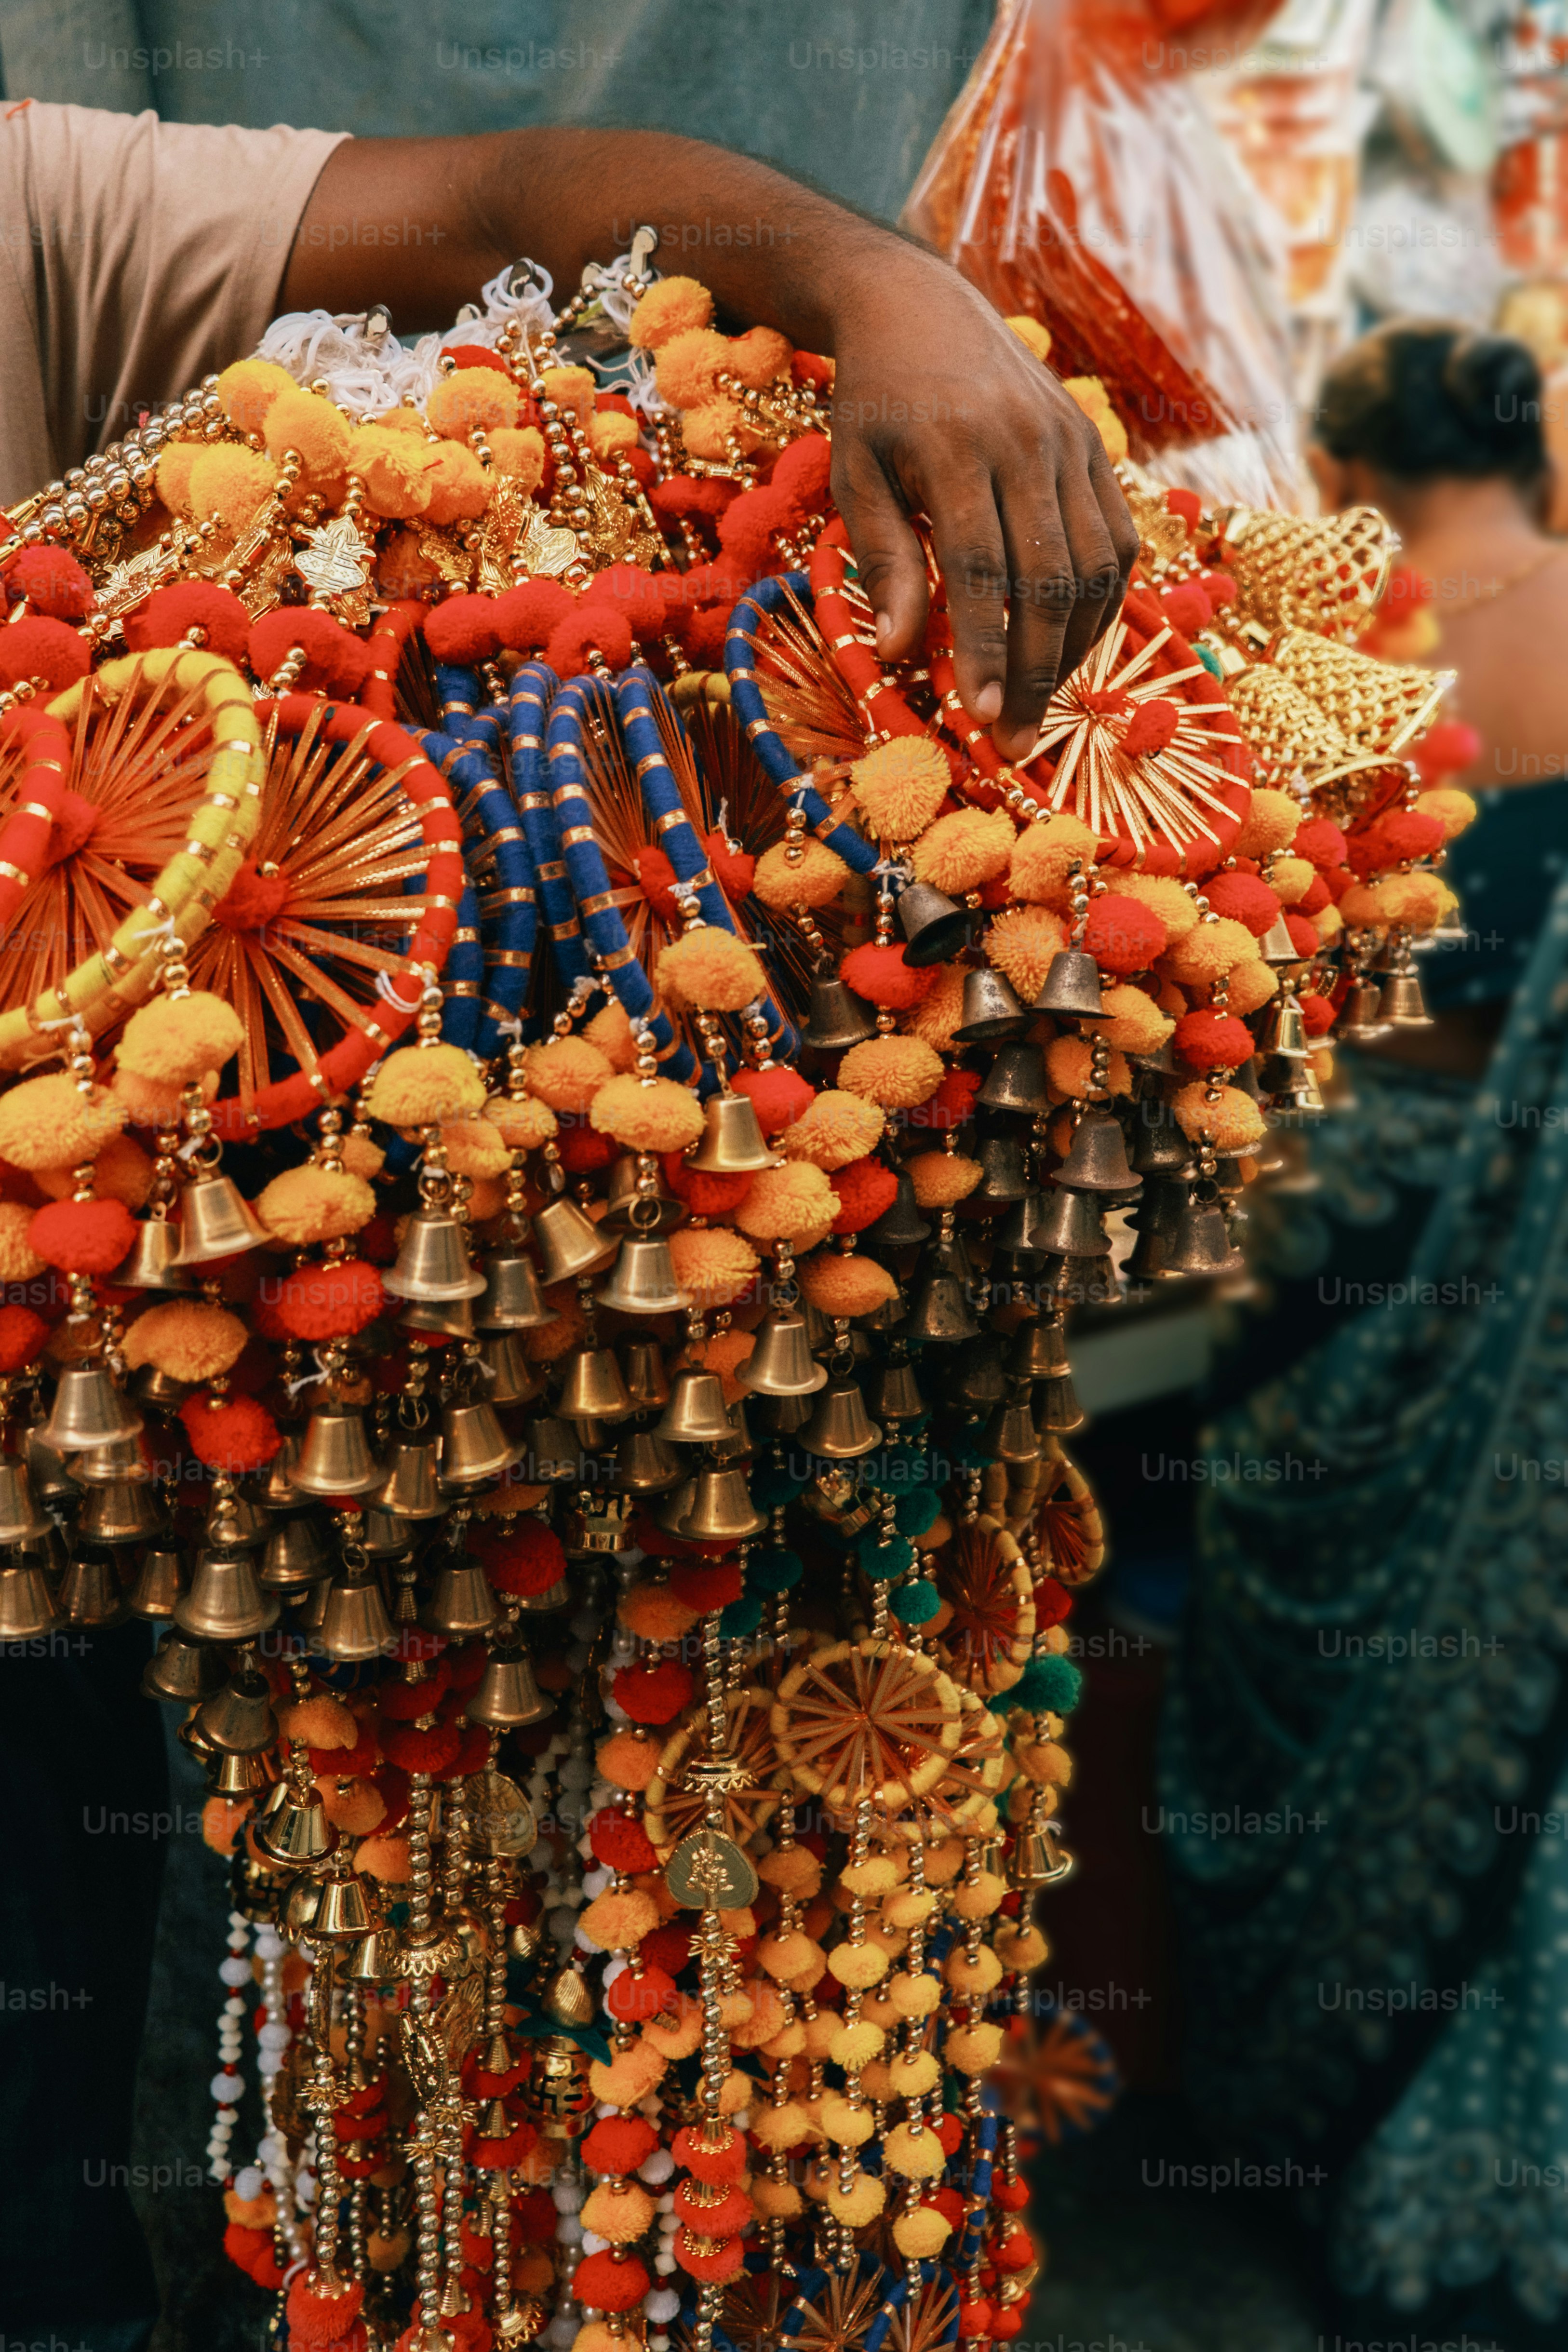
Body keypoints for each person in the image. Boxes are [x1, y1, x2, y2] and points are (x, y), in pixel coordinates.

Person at [0, 97, 1134, 2336]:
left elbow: (523, 196)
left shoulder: (34, 202)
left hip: (57, 1507)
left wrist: (883, 288)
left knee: (75, 2156)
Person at [1161, 322, 1568, 2351]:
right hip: (1516, 1239)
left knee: (1233, 1505)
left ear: (1352, 471)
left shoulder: (1372, 637)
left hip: (1382, 1206)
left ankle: (1254, 2062)